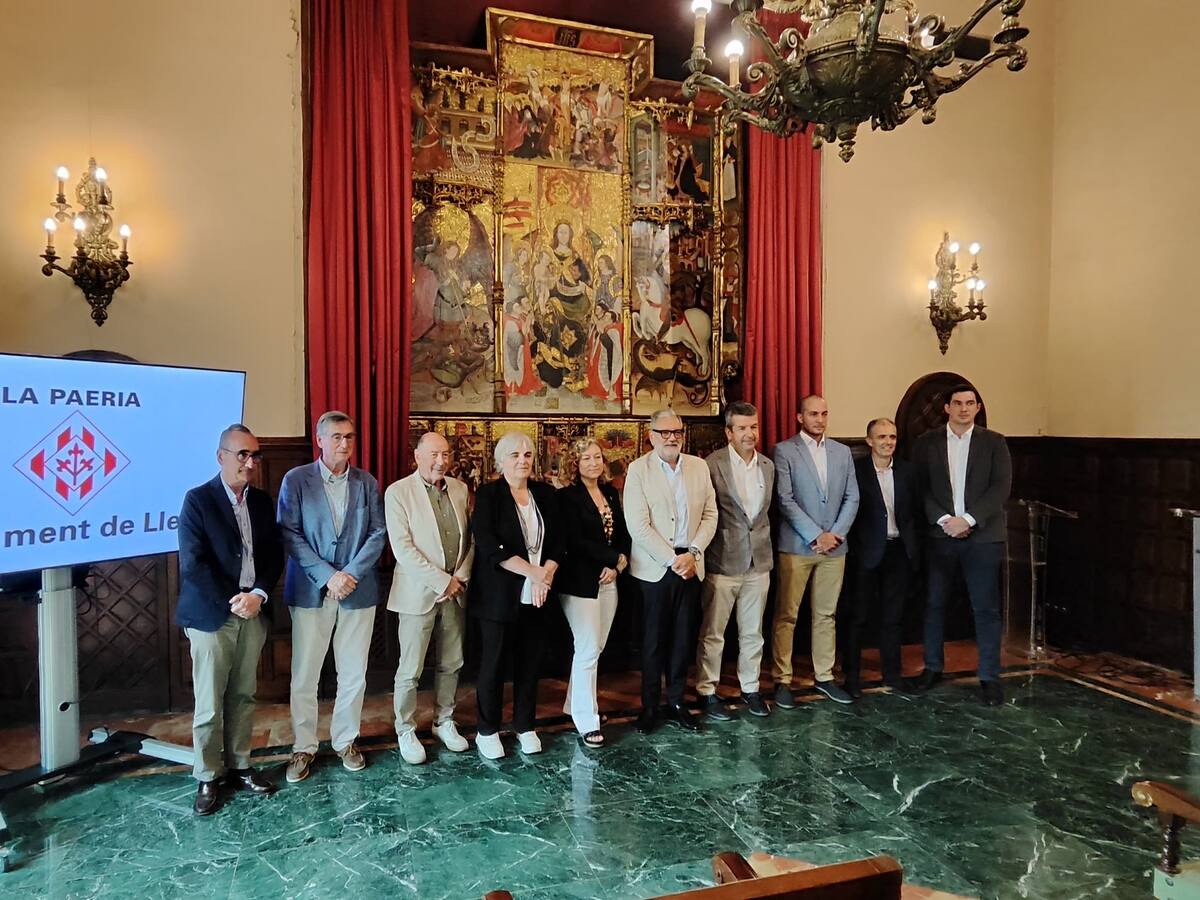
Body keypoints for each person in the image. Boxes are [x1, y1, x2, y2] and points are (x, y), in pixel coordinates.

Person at [176, 424, 283, 815]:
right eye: (242, 455)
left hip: (253, 612)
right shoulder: (197, 501)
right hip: (211, 615)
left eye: (255, 456)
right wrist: (233, 599)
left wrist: (258, 595)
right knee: (209, 702)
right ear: (221, 456)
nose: (250, 463)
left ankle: (240, 765)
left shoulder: (262, 501)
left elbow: (273, 556)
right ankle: (207, 775)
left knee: (243, 694)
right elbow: (193, 563)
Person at [277, 411, 386, 784]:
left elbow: (377, 533)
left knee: (353, 672)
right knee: (305, 675)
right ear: (319, 440)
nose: (344, 443)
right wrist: (328, 576)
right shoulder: (297, 480)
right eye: (337, 437)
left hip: (358, 591)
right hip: (311, 590)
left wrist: (350, 574)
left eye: (350, 437)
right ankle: (303, 747)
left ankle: (345, 741)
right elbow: (290, 534)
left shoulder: (366, 482)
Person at [908, 384, 1012, 706]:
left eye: (970, 403)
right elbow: (918, 489)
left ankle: (989, 677)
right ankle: (933, 667)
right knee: (934, 604)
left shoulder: (995, 442)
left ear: (977, 408)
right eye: (957, 403)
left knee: (986, 609)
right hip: (940, 537)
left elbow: (1000, 488)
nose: (964, 408)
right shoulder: (926, 443)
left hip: (982, 538)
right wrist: (944, 521)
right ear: (947, 408)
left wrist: (967, 520)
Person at [470, 431, 565, 759]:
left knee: (530, 663)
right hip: (500, 595)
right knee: (493, 664)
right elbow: (487, 544)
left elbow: (558, 543)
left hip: (539, 593)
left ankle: (525, 725)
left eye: (527, 454)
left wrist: (545, 575)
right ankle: (487, 729)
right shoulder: (488, 495)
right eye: (514, 455)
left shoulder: (546, 493)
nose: (522, 460)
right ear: (500, 462)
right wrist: (532, 573)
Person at [623, 408, 718, 734]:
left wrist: (692, 553)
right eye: (664, 432)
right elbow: (638, 525)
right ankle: (650, 706)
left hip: (691, 566)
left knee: (682, 640)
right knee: (653, 642)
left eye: (677, 431)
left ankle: (677, 702)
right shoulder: (638, 470)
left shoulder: (698, 467)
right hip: (655, 569)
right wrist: (672, 559)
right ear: (651, 436)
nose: (672, 437)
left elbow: (710, 515)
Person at [384, 432, 475, 764]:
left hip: (456, 593)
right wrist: (441, 581)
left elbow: (471, 541)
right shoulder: (398, 492)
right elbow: (403, 548)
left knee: (452, 662)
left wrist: (459, 578)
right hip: (416, 594)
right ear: (417, 457)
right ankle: (405, 728)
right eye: (434, 454)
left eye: (446, 454)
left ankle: (443, 720)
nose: (441, 461)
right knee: (410, 669)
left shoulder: (461, 489)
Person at [772, 395, 860, 707]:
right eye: (813, 413)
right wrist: (815, 535)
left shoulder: (842, 452)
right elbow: (784, 499)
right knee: (787, 615)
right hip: (797, 546)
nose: (819, 419)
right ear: (799, 417)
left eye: (824, 413)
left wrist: (834, 535)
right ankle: (782, 679)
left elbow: (852, 497)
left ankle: (824, 676)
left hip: (835, 548)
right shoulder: (784, 450)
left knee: (826, 614)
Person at [695, 402, 775, 720]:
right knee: (714, 632)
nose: (749, 433)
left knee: (753, 631)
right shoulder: (710, 465)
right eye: (742, 428)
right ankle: (707, 690)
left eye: (753, 426)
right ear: (729, 432)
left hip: (760, 560)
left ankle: (751, 688)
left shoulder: (768, 465)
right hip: (723, 560)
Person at [556, 439, 631, 747]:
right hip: (579, 583)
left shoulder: (611, 492)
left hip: (610, 579)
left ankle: (573, 704)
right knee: (587, 648)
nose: (592, 463)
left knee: (594, 648)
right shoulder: (566, 497)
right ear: (574, 464)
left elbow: (623, 534)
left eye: (597, 457)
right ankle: (587, 720)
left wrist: (619, 563)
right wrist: (611, 559)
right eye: (585, 458)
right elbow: (573, 540)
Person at [843, 417, 920, 698]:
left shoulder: (909, 471)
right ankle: (852, 677)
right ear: (869, 441)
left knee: (893, 617)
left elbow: (915, 513)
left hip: (899, 551)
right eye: (882, 437)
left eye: (892, 437)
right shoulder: (857, 471)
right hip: (866, 552)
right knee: (858, 616)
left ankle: (893, 674)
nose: (888, 442)